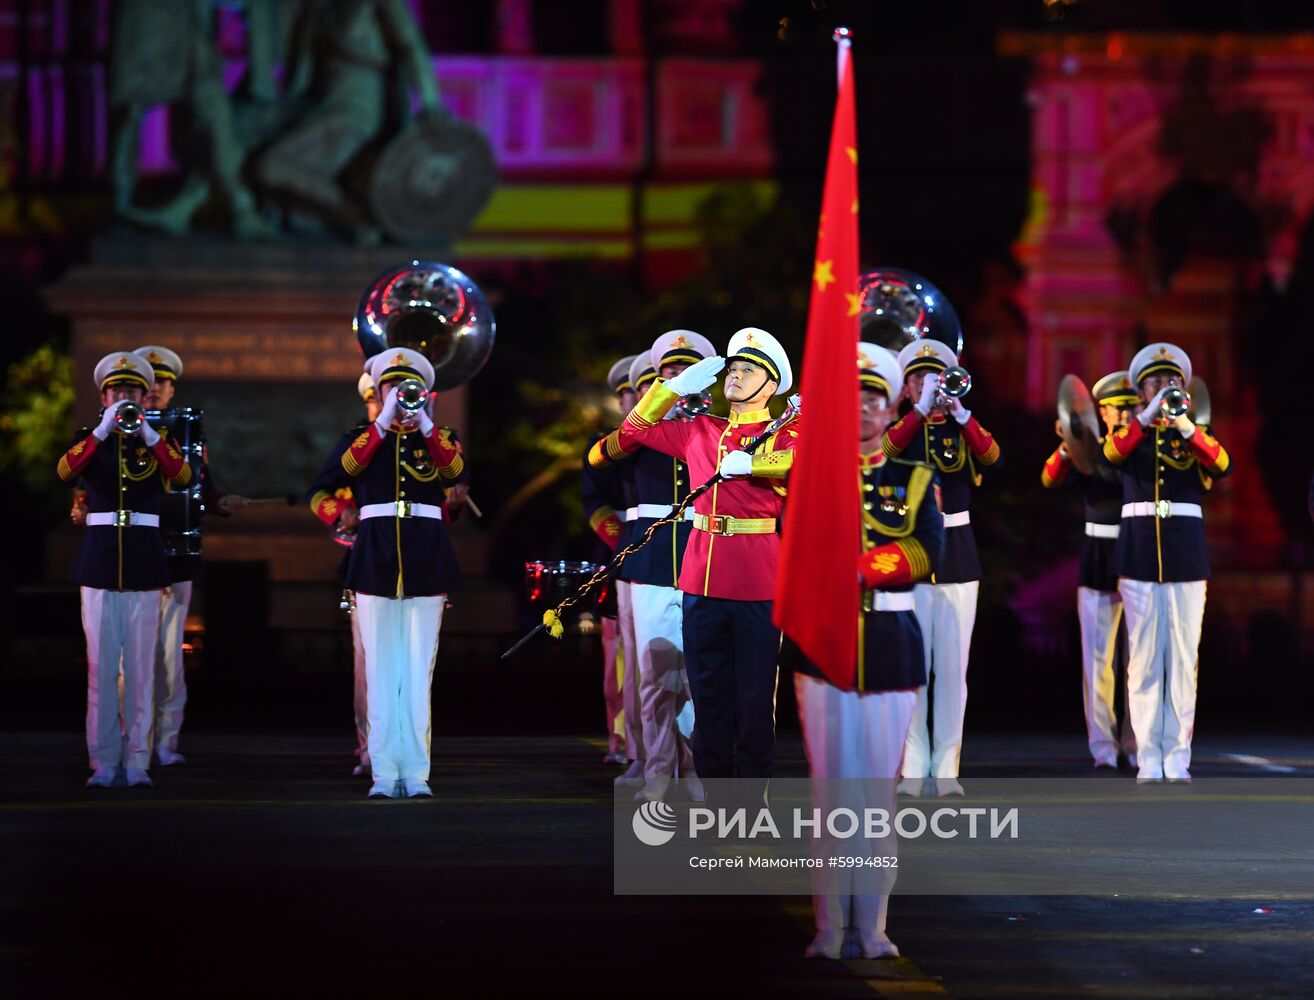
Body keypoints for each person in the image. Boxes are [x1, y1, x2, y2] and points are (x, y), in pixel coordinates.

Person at [783, 343, 943, 961]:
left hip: (889, 645)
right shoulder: (812, 478)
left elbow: (930, 551)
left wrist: (862, 568)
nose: (865, 407)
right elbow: (787, 544)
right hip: (823, 644)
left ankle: (872, 926)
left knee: (877, 794)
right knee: (829, 792)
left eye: (876, 397)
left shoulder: (915, 478)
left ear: (895, 403)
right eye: (853, 397)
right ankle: (828, 926)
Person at [589, 328, 797, 783]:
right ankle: (716, 807)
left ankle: (751, 810)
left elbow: (807, 463)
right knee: (709, 701)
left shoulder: (786, 431)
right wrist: (670, 389)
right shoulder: (701, 431)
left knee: (755, 703)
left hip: (758, 580)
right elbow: (631, 432)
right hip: (701, 578)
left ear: (771, 385)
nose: (736, 377)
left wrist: (755, 463)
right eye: (734, 368)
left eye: (749, 370)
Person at [309, 348, 467, 798]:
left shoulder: (441, 436)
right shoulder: (361, 437)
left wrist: (426, 425)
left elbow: (454, 470)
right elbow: (341, 471)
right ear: (378, 392)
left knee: (418, 672)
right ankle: (383, 771)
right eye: (392, 387)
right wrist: (382, 425)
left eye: (410, 387)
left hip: (427, 559)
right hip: (375, 560)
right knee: (380, 672)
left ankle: (415, 773)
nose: (401, 394)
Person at [57, 352, 192, 788]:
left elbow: (184, 475)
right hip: (99, 562)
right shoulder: (91, 440)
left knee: (139, 670)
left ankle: (137, 762)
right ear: (104, 396)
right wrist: (100, 430)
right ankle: (103, 762)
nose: (126, 398)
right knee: (101, 670)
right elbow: (65, 470)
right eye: (118, 392)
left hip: (144, 562)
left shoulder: (158, 440)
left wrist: (150, 432)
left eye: (132, 392)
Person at [1103, 343, 1231, 784]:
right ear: (1141, 391)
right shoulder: (1132, 432)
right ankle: (1147, 758)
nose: (1164, 389)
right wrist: (1145, 417)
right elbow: (1111, 455)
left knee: (1181, 662)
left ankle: (1177, 759)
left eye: (1171, 383)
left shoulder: (1192, 432)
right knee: (1142, 662)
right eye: (1155, 383)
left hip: (1186, 558)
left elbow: (1222, 463)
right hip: (1139, 555)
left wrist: (1185, 426)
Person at [883, 338, 1000, 797]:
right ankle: (913, 768)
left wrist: (961, 414)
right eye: (919, 379)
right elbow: (886, 454)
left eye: (936, 377)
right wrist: (917, 412)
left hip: (956, 553)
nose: (929, 385)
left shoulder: (959, 427)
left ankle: (947, 768)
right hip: (913, 554)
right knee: (912, 667)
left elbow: (993, 457)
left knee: (952, 670)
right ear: (907, 388)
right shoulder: (901, 429)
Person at [133, 345, 250, 767]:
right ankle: (133, 742)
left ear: (171, 389)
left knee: (168, 654)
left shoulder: (186, 431)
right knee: (131, 656)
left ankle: (165, 743)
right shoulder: (118, 429)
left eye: (162, 383)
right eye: (148, 383)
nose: (154, 391)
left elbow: (200, 486)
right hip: (130, 554)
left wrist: (219, 501)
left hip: (176, 554)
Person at [619, 330, 715, 802]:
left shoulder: (720, 426)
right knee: (656, 673)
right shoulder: (643, 431)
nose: (680, 382)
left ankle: (696, 771)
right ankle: (658, 773)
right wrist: (664, 400)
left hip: (707, 553)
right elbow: (605, 454)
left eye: (689, 374)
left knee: (701, 675)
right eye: (670, 375)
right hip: (654, 557)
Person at [1041, 371, 1139, 769]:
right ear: (1103, 411)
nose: (1128, 414)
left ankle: (1135, 742)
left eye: (1132, 407)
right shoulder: (1087, 450)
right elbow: (1049, 479)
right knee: (1097, 660)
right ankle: (1103, 747)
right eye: (1121, 408)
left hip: (1137, 553)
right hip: (1098, 554)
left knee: (1139, 661)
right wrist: (1068, 442)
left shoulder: (1140, 448)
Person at [309, 372, 378, 777]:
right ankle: (369, 745)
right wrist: (340, 514)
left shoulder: (431, 441)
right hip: (366, 558)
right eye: (376, 398)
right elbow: (321, 492)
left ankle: (405, 748)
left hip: (416, 565)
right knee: (367, 661)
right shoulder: (358, 442)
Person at [582, 356, 637, 766]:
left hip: (668, 547)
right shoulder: (608, 446)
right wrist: (621, 541)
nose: (633, 399)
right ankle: (620, 737)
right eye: (628, 393)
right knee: (617, 652)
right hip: (619, 552)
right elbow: (594, 503)